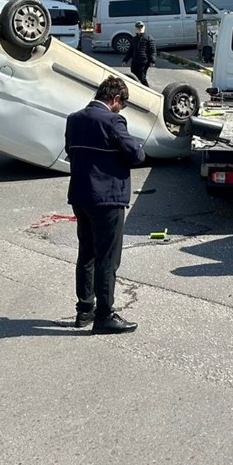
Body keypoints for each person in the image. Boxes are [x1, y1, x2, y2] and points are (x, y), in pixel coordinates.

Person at [66, 76, 145, 334]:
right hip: (107, 198)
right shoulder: (113, 121)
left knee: (86, 254)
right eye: (121, 105)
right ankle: (105, 315)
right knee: (107, 258)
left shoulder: (74, 119)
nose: (120, 109)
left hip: (80, 195)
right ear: (115, 99)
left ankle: (84, 310)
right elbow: (136, 155)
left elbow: (71, 151)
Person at [122, 21, 156, 87]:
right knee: (133, 76)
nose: (140, 28)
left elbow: (153, 50)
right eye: (138, 27)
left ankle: (148, 90)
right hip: (134, 62)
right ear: (135, 28)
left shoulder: (149, 38)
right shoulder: (134, 39)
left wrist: (152, 61)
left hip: (144, 62)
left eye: (141, 27)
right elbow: (130, 51)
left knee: (142, 77)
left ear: (144, 27)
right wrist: (125, 60)